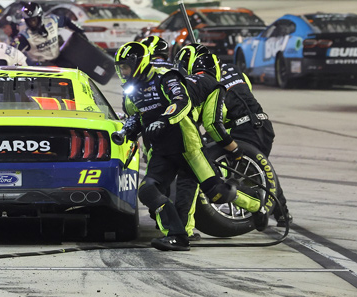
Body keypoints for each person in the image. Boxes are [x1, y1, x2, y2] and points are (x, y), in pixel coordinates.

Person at [115, 41, 268, 251]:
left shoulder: (166, 77)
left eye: (125, 67)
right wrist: (129, 129)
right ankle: (177, 235)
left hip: (188, 146)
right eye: (120, 68)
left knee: (216, 193)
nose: (123, 72)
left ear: (139, 63)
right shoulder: (130, 91)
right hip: (161, 150)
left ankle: (256, 204)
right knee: (147, 191)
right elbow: (137, 116)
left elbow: (182, 101)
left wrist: (164, 120)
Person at [177, 45, 291, 226]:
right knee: (258, 169)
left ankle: (267, 209)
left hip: (242, 127)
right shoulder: (233, 69)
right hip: (262, 124)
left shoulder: (208, 81)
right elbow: (248, 89)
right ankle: (282, 213)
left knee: (241, 169)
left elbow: (217, 115)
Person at [16, 2, 83, 66]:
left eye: (34, 20)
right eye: (29, 21)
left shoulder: (52, 20)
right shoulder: (24, 35)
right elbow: (14, 50)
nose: (32, 23)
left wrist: (80, 31)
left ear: (40, 17)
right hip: (40, 65)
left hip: (58, 58)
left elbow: (66, 21)